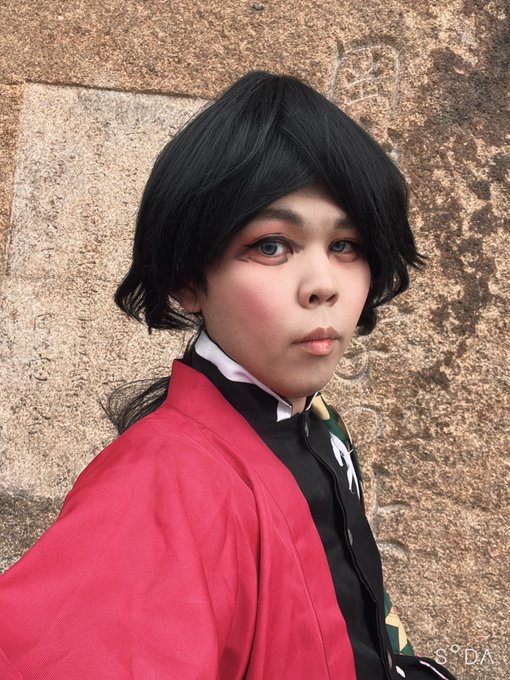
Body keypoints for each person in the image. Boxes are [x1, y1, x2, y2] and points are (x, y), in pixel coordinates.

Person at [0, 71, 456, 679]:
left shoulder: (313, 421)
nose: (323, 284)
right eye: (271, 246)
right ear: (188, 280)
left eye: (346, 245)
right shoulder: (162, 486)